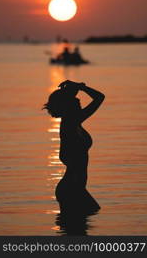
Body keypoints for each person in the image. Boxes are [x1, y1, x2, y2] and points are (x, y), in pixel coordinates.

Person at [43, 80, 105, 215]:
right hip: (72, 189)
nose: (79, 101)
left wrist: (78, 88)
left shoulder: (74, 123)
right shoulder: (70, 123)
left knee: (77, 228)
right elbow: (99, 97)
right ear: (67, 106)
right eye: (75, 101)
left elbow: (100, 97)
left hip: (75, 188)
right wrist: (80, 87)